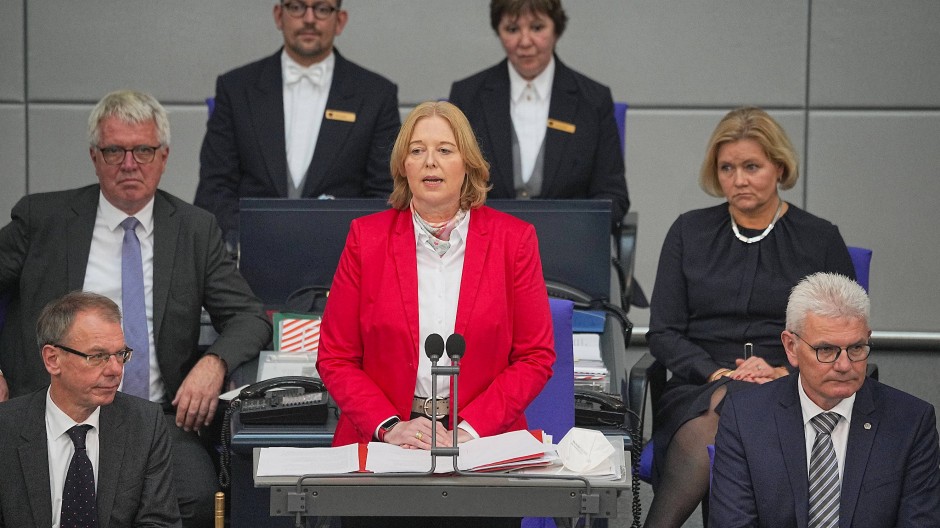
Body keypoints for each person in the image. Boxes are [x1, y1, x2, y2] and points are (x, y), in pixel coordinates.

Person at [0, 90, 272, 528]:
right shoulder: (43, 218)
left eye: (143, 150)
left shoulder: (194, 229)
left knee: (199, 500)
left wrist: (213, 362)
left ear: (163, 157)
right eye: (115, 151)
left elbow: (248, 316)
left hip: (155, 418)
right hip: (46, 408)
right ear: (94, 156)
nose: (129, 164)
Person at [317, 101, 556, 528]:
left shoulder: (514, 241)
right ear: (402, 167)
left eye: (445, 149)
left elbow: (535, 356)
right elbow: (336, 357)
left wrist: (466, 430)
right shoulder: (365, 239)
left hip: (484, 443)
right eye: (417, 150)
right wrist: (391, 426)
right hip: (387, 443)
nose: (430, 161)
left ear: (468, 164)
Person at [644, 106, 857, 527]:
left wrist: (782, 369)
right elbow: (664, 332)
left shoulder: (819, 238)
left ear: (779, 166)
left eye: (751, 166)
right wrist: (717, 372)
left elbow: (843, 333)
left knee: (736, 414)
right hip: (701, 384)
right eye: (727, 168)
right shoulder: (689, 232)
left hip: (793, 383)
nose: (738, 179)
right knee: (718, 413)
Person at [710, 272, 940, 526]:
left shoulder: (911, 422)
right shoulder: (745, 417)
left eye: (855, 348)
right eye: (826, 350)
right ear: (791, 347)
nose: (844, 365)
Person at [195, 0, 399, 249]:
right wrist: (246, 244)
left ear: (341, 20)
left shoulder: (376, 95)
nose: (309, 18)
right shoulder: (236, 88)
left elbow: (384, 193)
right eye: (297, 7)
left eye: (322, 8)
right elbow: (215, 187)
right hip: (247, 260)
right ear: (279, 15)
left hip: (341, 261)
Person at [0, 291, 181, 527]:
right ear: (52, 359)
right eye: (98, 356)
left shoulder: (145, 424)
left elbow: (159, 522)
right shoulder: (6, 428)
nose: (115, 369)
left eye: (120, 354)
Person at [448, 0, 629, 229]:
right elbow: (451, 188)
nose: (525, 42)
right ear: (499, 31)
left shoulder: (593, 100)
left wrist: (574, 232)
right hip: (487, 246)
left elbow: (613, 195)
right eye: (512, 29)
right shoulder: (467, 96)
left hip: (568, 245)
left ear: (556, 29)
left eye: (537, 27)